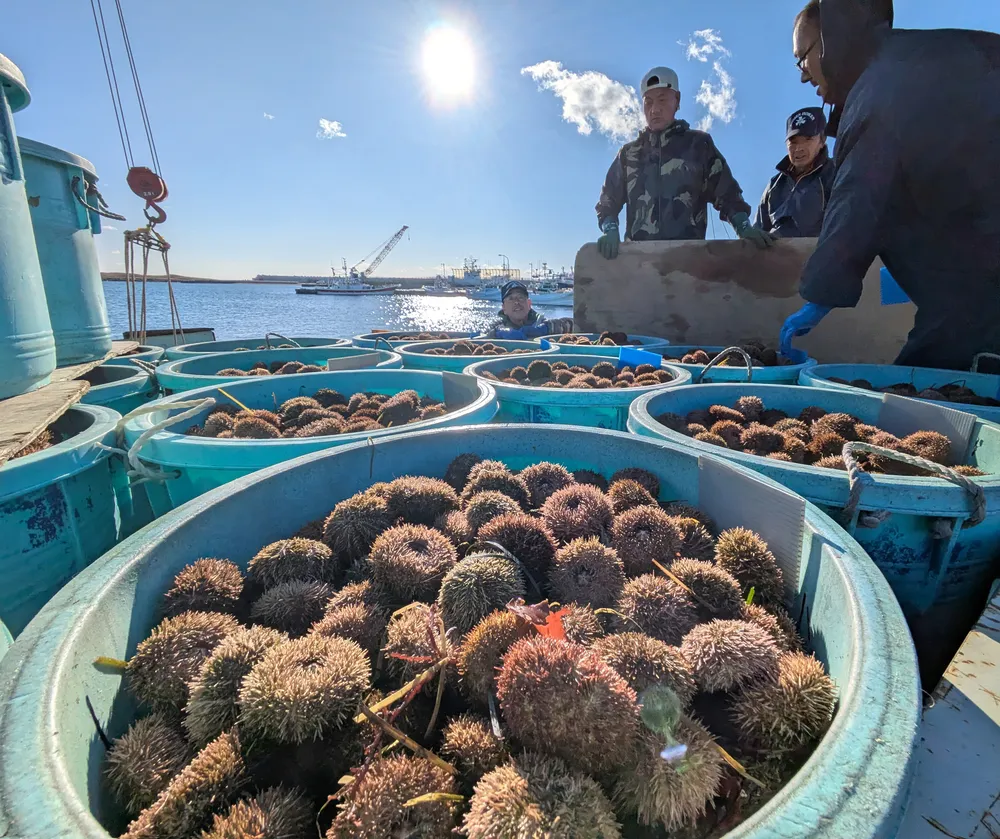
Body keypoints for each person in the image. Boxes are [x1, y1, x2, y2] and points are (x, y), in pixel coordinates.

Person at [780, 0, 1000, 371]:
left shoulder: (880, 89)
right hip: (976, 271)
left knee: (932, 397)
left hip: (982, 293)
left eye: (802, 58)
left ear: (830, 41)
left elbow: (858, 200)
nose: (803, 75)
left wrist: (820, 292)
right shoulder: (918, 59)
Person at [595, 66, 773, 259]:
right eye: (648, 102)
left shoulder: (698, 146)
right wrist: (610, 229)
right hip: (639, 266)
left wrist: (744, 227)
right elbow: (607, 203)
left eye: (662, 100)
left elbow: (727, 194)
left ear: (677, 100)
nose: (655, 109)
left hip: (689, 265)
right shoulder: (629, 154)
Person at [754, 107, 836, 238]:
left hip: (822, 255)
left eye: (808, 139)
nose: (799, 148)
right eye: (793, 142)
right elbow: (758, 233)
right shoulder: (774, 186)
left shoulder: (836, 174)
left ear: (822, 140)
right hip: (776, 256)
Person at [483, 281, 573, 339]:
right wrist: (496, 334)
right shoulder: (496, 327)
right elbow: (482, 337)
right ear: (504, 308)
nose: (516, 302)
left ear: (529, 304)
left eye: (521, 297)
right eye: (511, 299)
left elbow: (572, 324)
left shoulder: (540, 322)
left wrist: (546, 328)